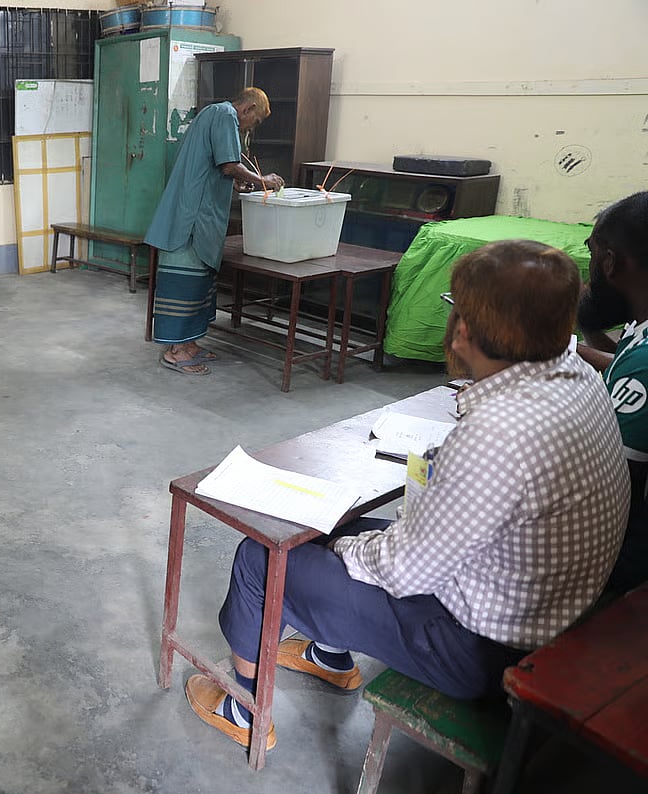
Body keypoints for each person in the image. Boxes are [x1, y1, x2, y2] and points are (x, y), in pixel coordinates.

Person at [186, 240, 629, 754]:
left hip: (477, 650)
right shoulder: (580, 377)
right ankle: (329, 656)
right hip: (547, 617)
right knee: (339, 530)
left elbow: (403, 571)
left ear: (462, 330)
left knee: (264, 555)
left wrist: (340, 550)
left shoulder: (496, 431)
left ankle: (243, 705)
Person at [144, 87, 283, 376]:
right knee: (185, 282)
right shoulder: (225, 115)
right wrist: (262, 180)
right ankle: (176, 351)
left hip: (202, 213)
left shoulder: (216, 114)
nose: (250, 128)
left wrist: (235, 182)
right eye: (254, 122)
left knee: (201, 283)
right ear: (247, 110)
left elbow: (218, 167)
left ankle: (189, 342)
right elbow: (229, 165)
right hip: (191, 217)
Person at [576, 190, 648, 594]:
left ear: (610, 262)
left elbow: (604, 486)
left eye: (592, 253)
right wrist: (587, 328)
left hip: (622, 563)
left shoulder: (645, 365)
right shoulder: (640, 331)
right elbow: (623, 361)